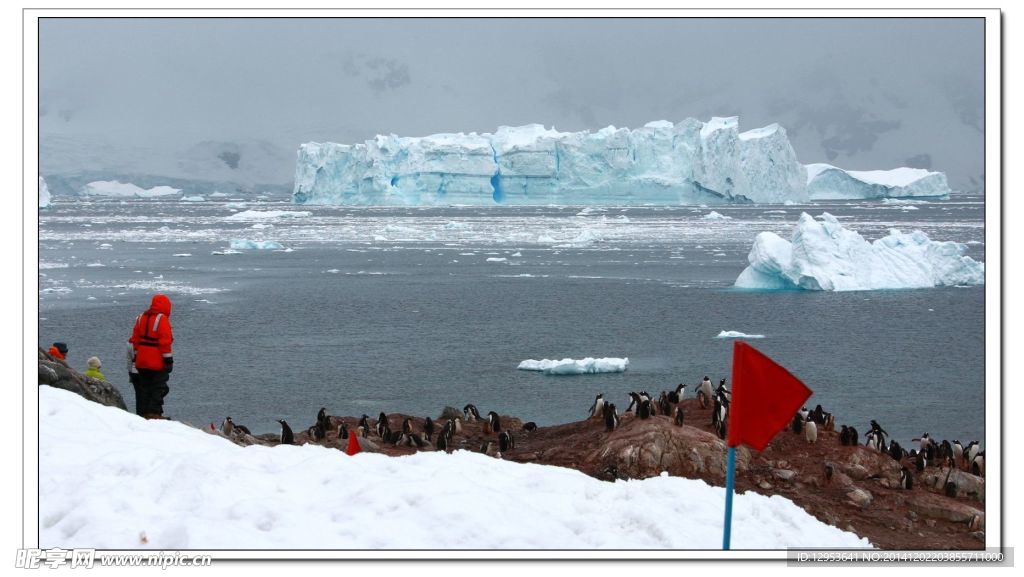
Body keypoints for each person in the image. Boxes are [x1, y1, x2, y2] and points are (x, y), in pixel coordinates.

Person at [128, 294, 174, 419]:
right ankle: (155, 414)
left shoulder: (140, 317)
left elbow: (135, 340)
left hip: (141, 361)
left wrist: (136, 356)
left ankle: (143, 413)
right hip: (156, 361)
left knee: (144, 388)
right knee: (158, 388)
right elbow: (165, 341)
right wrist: (168, 360)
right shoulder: (162, 319)